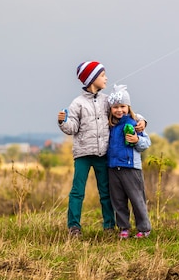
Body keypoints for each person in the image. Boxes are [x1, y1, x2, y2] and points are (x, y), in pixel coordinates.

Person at [57, 61, 146, 237]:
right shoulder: (78, 103)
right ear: (92, 78)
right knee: (77, 190)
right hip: (83, 154)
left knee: (106, 192)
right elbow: (72, 128)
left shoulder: (107, 100)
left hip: (103, 154)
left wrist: (142, 121)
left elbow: (124, 111)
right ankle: (74, 226)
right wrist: (63, 122)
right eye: (102, 75)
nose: (106, 78)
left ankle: (109, 225)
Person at [106, 84, 152, 239]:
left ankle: (144, 228)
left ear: (128, 106)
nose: (119, 110)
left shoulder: (135, 123)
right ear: (111, 109)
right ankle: (123, 228)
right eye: (115, 107)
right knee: (118, 200)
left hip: (131, 167)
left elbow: (146, 143)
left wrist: (137, 139)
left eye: (122, 106)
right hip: (113, 167)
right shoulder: (110, 124)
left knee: (136, 198)